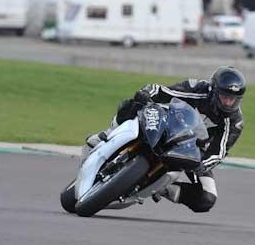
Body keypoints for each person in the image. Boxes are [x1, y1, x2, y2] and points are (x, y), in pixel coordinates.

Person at [83, 67, 246, 213]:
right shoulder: (197, 89)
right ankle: (105, 135)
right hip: (170, 126)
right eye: (224, 97)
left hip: (192, 151)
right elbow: (164, 91)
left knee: (207, 198)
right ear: (213, 90)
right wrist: (146, 94)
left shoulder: (234, 122)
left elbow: (219, 152)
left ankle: (161, 187)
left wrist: (201, 164)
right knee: (134, 102)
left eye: (233, 99)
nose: (228, 102)